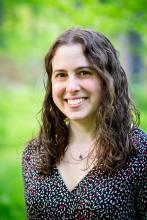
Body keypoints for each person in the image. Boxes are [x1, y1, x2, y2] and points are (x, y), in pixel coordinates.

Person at [22, 28, 147, 220]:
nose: (71, 87)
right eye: (61, 75)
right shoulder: (34, 155)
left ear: (108, 79)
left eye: (84, 72)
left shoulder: (140, 152)